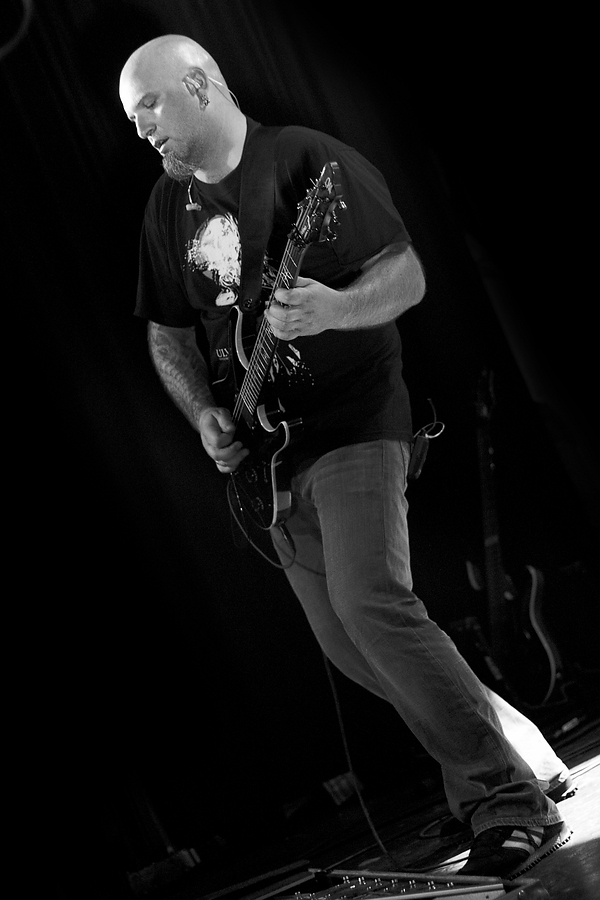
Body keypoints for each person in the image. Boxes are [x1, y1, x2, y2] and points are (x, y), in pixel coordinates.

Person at [119, 34, 572, 878]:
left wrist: (333, 309)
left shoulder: (304, 161)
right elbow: (165, 330)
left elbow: (405, 275)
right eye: (130, 116)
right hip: (268, 460)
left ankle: (507, 801)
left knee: (373, 604)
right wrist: (205, 415)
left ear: (201, 84)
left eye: (149, 105)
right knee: (351, 646)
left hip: (355, 423)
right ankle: (507, 737)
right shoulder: (164, 209)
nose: (141, 127)